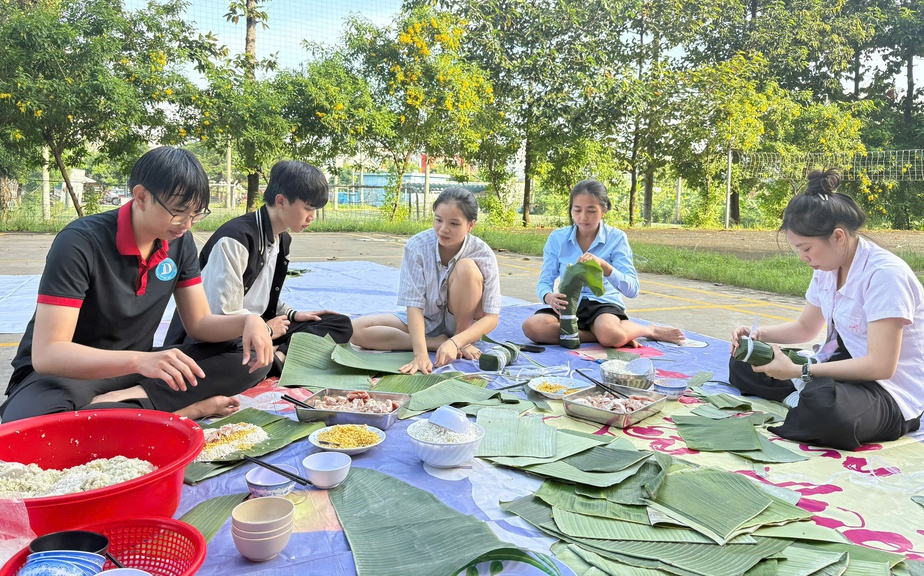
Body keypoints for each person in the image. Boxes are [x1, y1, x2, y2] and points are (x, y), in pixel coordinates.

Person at [0, 147, 274, 423]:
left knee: (253, 358)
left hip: (136, 373)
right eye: (179, 212)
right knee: (31, 424)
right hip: (70, 375)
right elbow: (48, 355)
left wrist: (248, 322)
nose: (187, 224)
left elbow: (200, 323)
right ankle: (185, 411)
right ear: (141, 196)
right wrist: (140, 361)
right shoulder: (80, 243)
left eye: (196, 214)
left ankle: (125, 403)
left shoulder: (180, 243)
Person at [728, 168, 924, 450]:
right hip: (835, 367)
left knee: (827, 410)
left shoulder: (885, 275)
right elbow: (806, 328)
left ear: (838, 237)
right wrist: (757, 334)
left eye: (806, 248)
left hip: (887, 390)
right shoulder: (828, 268)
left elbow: (881, 366)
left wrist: (800, 371)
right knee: (743, 362)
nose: (803, 257)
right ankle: (805, 395)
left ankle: (807, 395)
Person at [165, 160, 353, 374]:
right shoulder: (235, 239)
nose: (312, 217)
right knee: (241, 357)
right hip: (218, 336)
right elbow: (221, 313)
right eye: (308, 208)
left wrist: (291, 314)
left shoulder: (282, 240)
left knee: (338, 323)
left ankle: (277, 357)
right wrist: (266, 330)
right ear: (281, 201)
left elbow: (261, 293)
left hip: (257, 325)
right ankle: (272, 358)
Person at [350, 187, 501, 375]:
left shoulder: (482, 254)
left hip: (463, 328)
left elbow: (491, 317)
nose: (443, 229)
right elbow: (414, 305)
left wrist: (457, 341)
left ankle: (462, 341)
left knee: (467, 268)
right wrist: (420, 353)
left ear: (471, 225)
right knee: (355, 330)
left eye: (454, 223)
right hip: (427, 321)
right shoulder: (417, 246)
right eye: (438, 220)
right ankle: (435, 342)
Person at [521, 179, 685, 348]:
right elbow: (544, 281)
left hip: (602, 305)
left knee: (610, 334)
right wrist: (549, 297)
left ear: (604, 210)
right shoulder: (557, 238)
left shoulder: (616, 238)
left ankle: (647, 330)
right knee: (532, 328)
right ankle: (602, 336)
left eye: (591, 210)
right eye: (577, 210)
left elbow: (632, 289)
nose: (583, 217)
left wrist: (604, 266)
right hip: (568, 304)